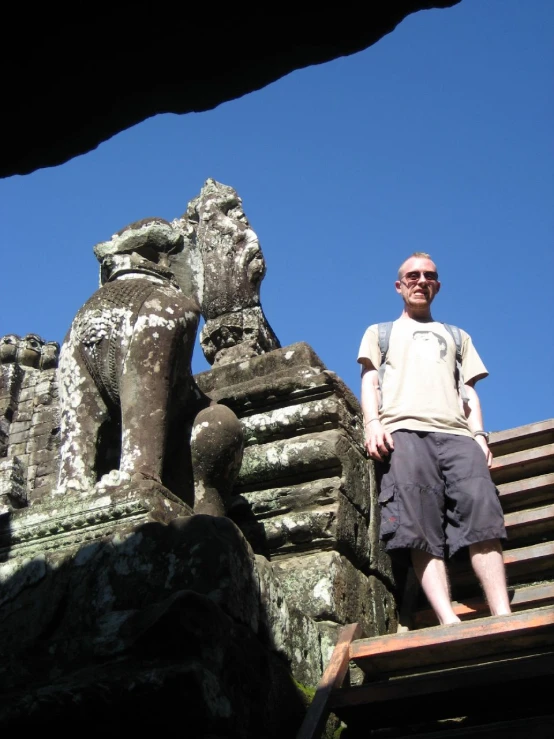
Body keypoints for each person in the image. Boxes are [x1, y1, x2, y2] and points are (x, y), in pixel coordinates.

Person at [358, 252, 511, 625]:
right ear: (399, 286)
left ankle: (503, 613)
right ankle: (447, 619)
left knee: (483, 513)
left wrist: (478, 435)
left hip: (457, 434)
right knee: (416, 524)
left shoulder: (458, 336)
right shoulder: (380, 332)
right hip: (404, 432)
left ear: (437, 286)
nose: (420, 280)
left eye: (429, 275)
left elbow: (470, 392)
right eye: (412, 275)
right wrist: (372, 423)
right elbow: (370, 381)